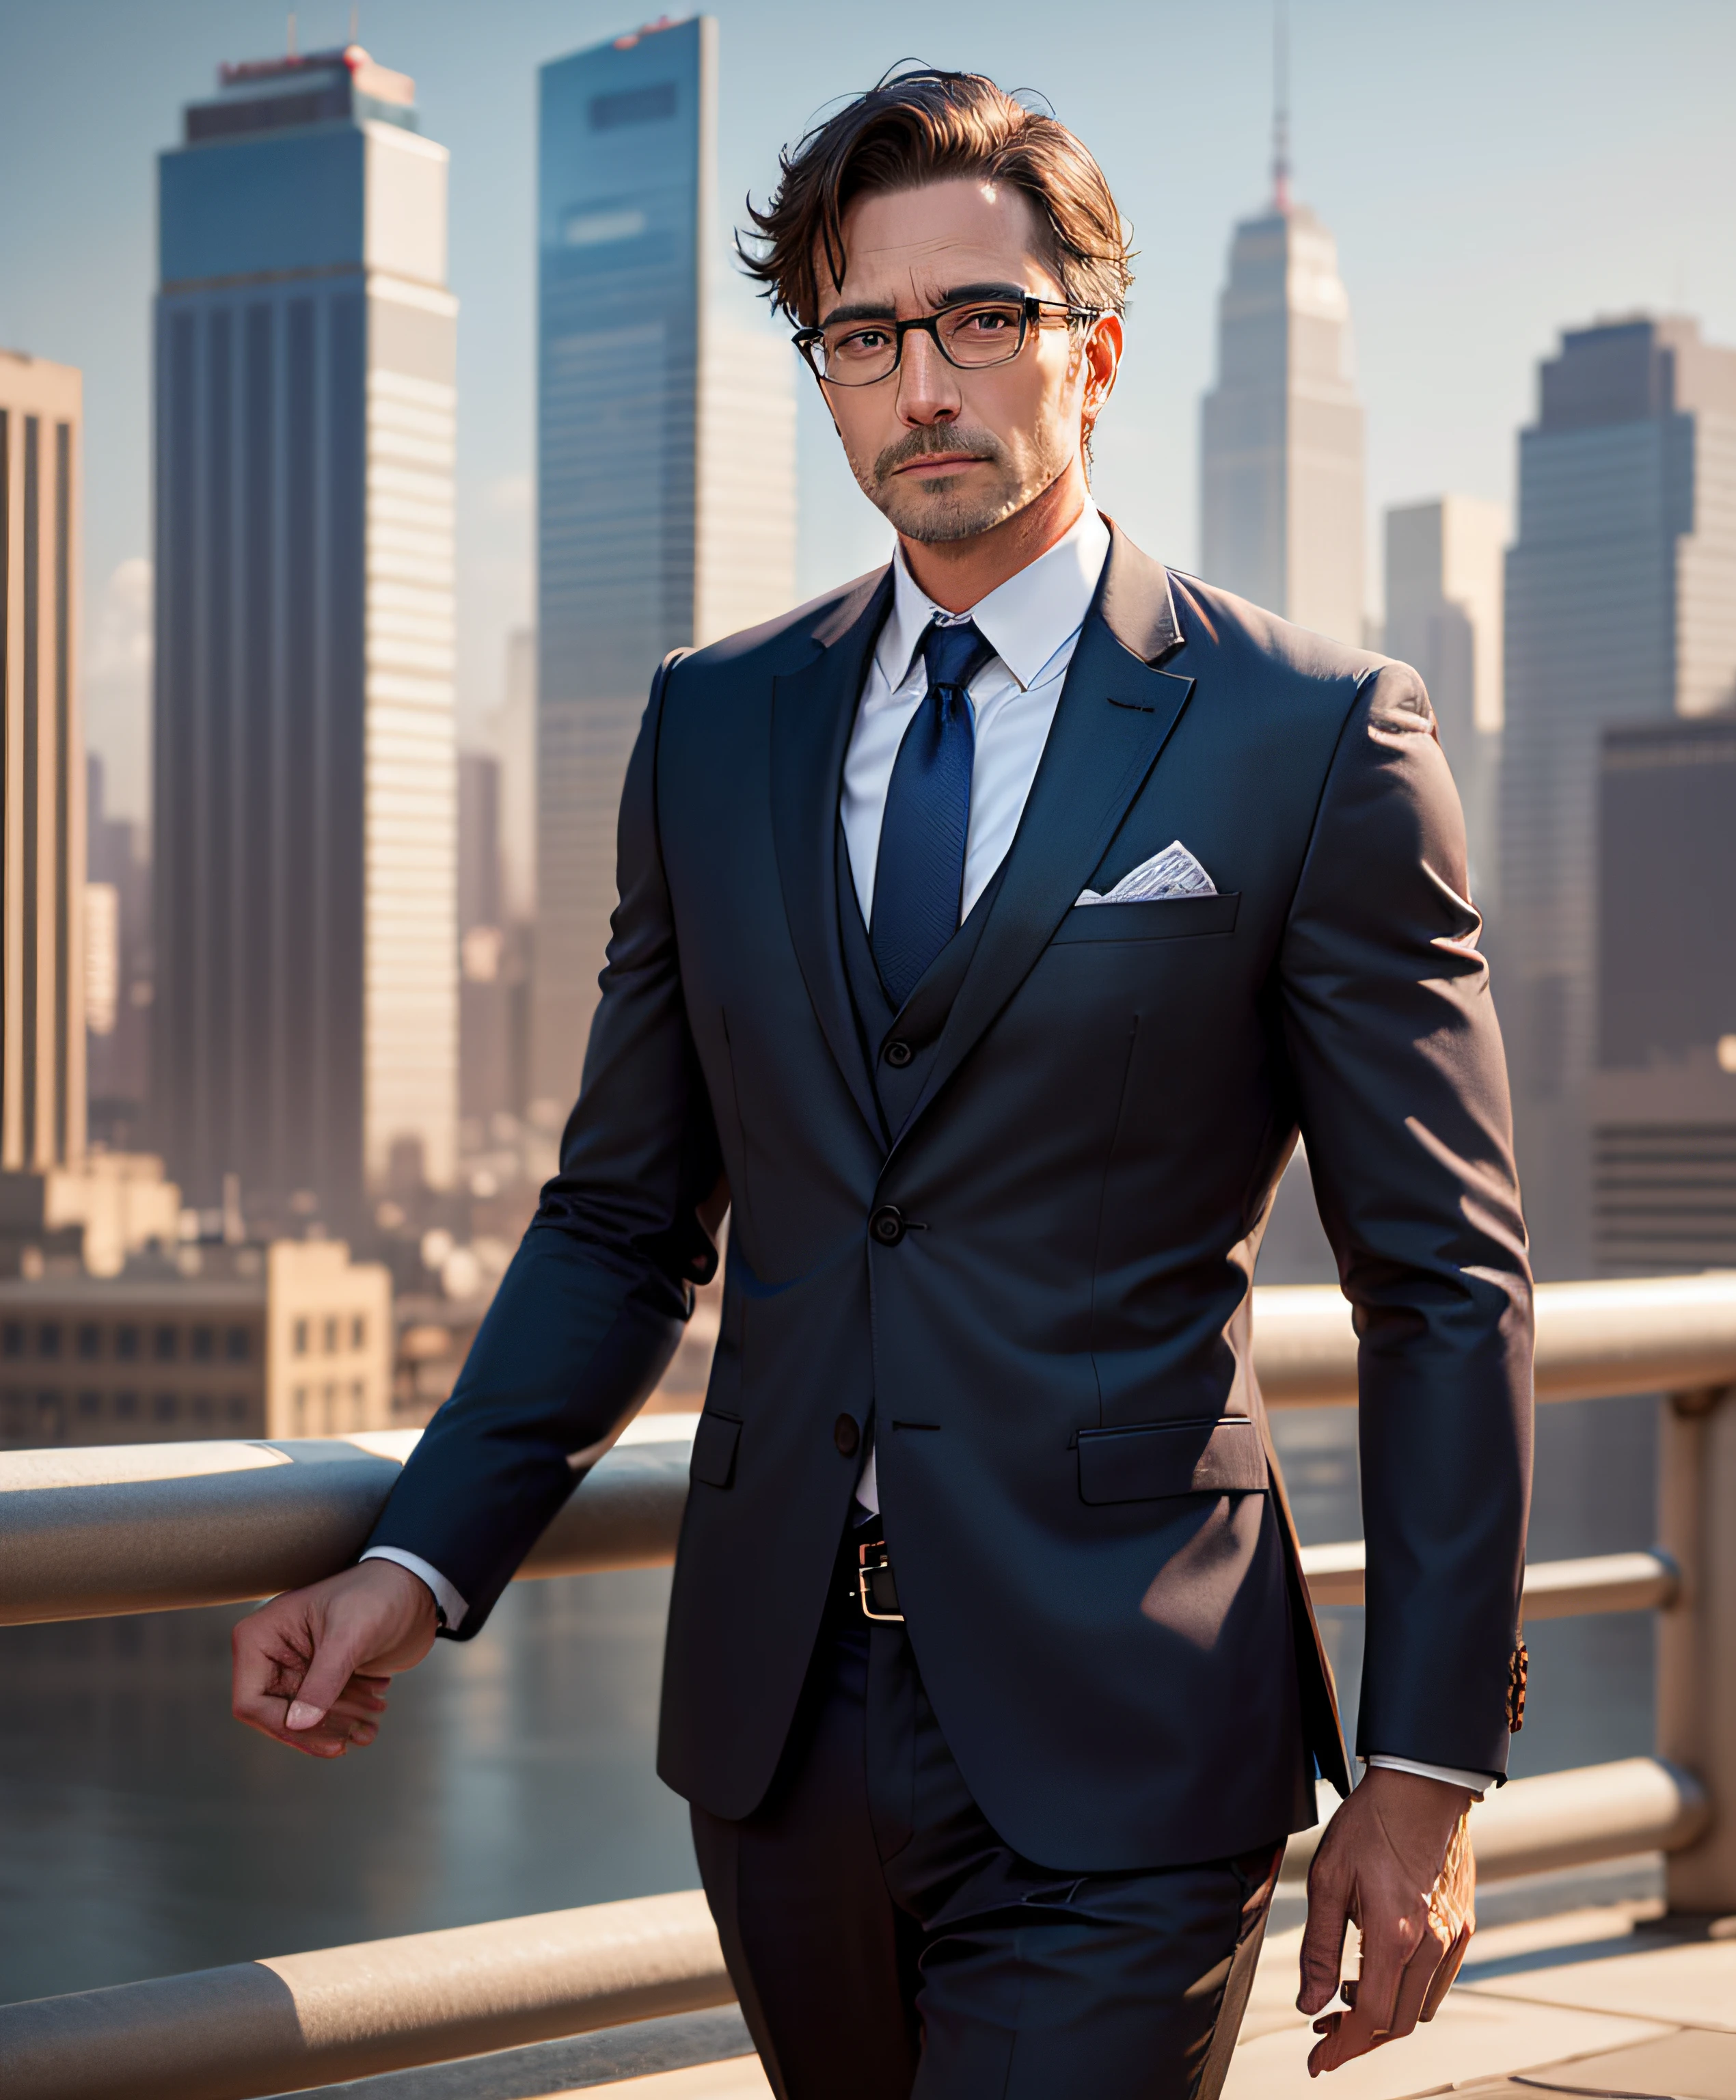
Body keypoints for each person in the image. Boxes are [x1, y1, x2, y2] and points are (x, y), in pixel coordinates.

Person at [230, 68, 1532, 2099]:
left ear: (1094, 350)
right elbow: (622, 1216)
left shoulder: (1313, 739)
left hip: (1135, 1718)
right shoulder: (715, 723)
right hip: (777, 1731)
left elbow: (1445, 1285)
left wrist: (1428, 1771)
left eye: (982, 320)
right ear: (827, 381)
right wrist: (418, 1562)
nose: (925, 382)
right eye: (863, 336)